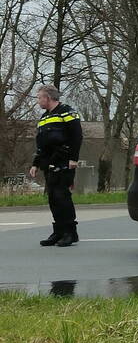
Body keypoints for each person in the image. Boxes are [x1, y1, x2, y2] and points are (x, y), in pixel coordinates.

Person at [29, 85, 82, 247]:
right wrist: (36, 164)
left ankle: (70, 232)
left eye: (39, 97)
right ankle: (58, 231)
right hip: (49, 163)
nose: (38, 101)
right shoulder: (44, 118)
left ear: (49, 98)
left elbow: (76, 135)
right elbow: (42, 144)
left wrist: (73, 158)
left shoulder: (67, 112)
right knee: (53, 197)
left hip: (64, 161)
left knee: (61, 196)